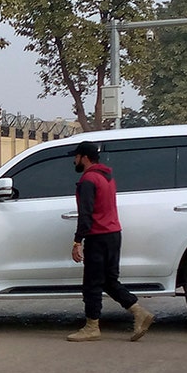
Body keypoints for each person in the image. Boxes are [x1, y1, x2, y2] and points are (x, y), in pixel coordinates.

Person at [66, 140, 155, 342]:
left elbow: (86, 214)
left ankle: (92, 327)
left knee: (92, 284)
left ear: (85, 157)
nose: (74, 160)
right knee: (108, 280)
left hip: (98, 236)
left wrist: (77, 241)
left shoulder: (88, 180)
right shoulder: (107, 177)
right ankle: (139, 312)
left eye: (76, 156)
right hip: (114, 234)